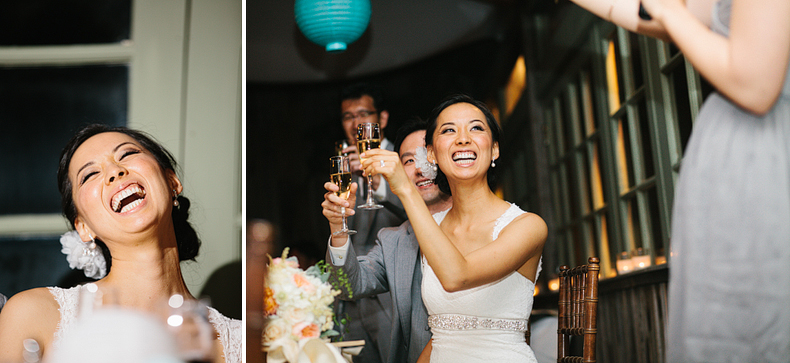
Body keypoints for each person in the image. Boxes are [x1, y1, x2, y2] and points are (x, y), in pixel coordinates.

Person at [566, 0, 790, 360]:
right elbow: (659, 16)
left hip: (764, 163)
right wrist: (667, 12)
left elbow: (756, 87)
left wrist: (669, 11)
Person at [0, 124, 241, 362]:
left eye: (127, 154)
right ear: (84, 228)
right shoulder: (32, 315)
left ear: (172, 182)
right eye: (90, 174)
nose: (115, 172)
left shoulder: (243, 344)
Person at [361, 94, 547, 362]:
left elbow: (456, 276)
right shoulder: (433, 228)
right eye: (449, 130)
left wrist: (404, 188)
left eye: (476, 128)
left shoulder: (528, 226)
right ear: (432, 154)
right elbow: (442, 337)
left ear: (494, 149)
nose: (463, 139)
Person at [322, 118, 453, 363]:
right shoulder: (393, 239)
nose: (420, 169)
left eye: (427, 156)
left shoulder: (478, 222)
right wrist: (338, 226)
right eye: (408, 161)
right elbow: (347, 286)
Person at [335, 82, 407, 363]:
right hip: (352, 295)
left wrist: (378, 182)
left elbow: (422, 211)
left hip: (390, 292)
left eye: (364, 114)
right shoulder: (344, 163)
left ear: (382, 119)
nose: (356, 124)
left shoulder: (404, 156)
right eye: (348, 117)